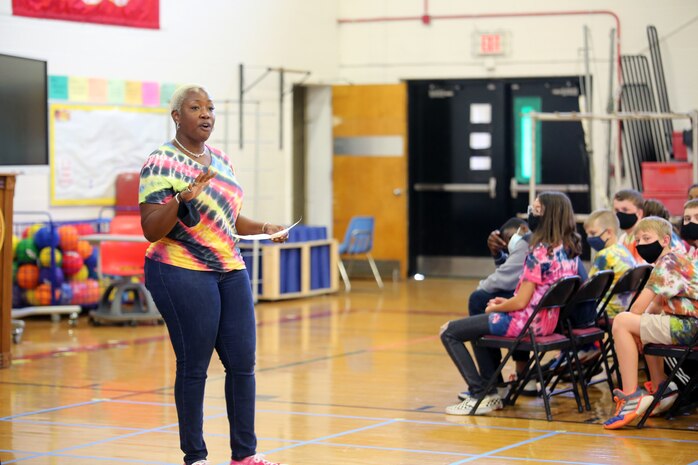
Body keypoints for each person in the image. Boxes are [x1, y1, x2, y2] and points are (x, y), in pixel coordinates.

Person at [139, 84, 288, 465]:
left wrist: (265, 227)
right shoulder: (161, 162)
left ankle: (245, 455)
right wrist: (181, 198)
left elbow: (231, 218)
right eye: (195, 107)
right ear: (177, 116)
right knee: (194, 365)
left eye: (210, 108)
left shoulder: (220, 160)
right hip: (180, 269)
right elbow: (152, 228)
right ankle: (196, 456)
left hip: (230, 268)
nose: (206, 114)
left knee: (242, 363)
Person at [440, 192, 581, 415]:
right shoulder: (570, 251)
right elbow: (537, 295)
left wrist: (497, 307)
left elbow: (522, 301)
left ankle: (482, 393)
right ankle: (491, 388)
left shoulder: (539, 253)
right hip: (546, 322)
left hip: (524, 323)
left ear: (548, 216)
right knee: (479, 325)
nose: (530, 215)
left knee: (449, 332)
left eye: (536, 210)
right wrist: (505, 302)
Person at [603, 217, 698, 430]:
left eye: (647, 238)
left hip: (690, 327)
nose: (642, 243)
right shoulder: (677, 258)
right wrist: (638, 330)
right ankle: (660, 387)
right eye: (638, 240)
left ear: (665, 240)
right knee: (645, 324)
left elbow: (637, 309)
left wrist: (634, 329)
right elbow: (653, 308)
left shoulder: (667, 263)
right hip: (690, 326)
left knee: (621, 321)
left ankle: (630, 396)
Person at [583, 209, 636, 319]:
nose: (589, 238)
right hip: (625, 308)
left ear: (609, 232)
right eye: (587, 234)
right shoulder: (625, 251)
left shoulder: (604, 255)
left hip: (605, 311)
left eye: (593, 233)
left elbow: (587, 289)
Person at [613, 189, 645, 262]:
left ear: (639, 213)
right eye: (617, 210)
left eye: (625, 210)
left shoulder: (646, 238)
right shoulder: (623, 238)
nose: (620, 214)